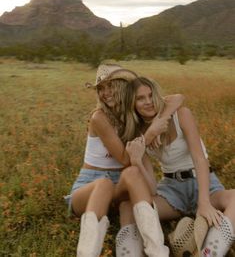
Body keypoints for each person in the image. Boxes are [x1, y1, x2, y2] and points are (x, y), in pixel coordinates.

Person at [65, 64, 184, 257]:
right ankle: (86, 253)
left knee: (133, 172)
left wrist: (159, 118)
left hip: (117, 189)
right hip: (88, 191)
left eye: (110, 86)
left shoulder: (133, 116)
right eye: (101, 89)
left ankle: (157, 251)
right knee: (104, 183)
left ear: (122, 87)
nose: (105, 93)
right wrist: (151, 133)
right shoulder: (99, 117)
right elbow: (123, 157)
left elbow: (177, 98)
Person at [117, 76, 235, 257]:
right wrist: (137, 161)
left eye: (150, 95)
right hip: (172, 190)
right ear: (132, 103)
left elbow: (199, 159)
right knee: (127, 206)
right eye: (140, 98)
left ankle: (208, 253)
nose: (148, 102)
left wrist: (203, 202)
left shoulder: (181, 114)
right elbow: (151, 187)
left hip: (203, 184)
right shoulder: (138, 133)